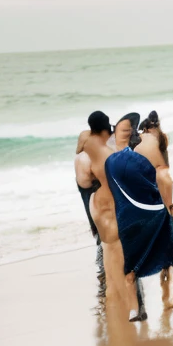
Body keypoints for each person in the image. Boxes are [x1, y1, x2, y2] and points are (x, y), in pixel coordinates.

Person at [105, 109, 173, 311]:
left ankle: (146, 297)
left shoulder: (136, 146)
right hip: (159, 194)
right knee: (168, 248)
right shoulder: (159, 140)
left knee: (143, 251)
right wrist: (169, 207)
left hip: (142, 202)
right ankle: (167, 294)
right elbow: (162, 173)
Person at [81, 115, 142, 319]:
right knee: (124, 254)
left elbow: (85, 182)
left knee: (109, 252)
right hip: (114, 206)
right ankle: (133, 305)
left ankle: (116, 299)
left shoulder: (87, 147)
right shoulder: (110, 155)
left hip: (96, 206)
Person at [75, 110, 110, 294]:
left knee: (96, 228)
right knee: (101, 229)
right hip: (91, 189)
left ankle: (102, 265)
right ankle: (104, 267)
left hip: (83, 186)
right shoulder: (95, 151)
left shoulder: (84, 141)